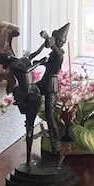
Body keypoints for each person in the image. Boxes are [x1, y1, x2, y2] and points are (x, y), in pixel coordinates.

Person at [29, 23, 70, 166]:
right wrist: (40, 63)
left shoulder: (59, 55)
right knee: (28, 89)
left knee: (50, 117)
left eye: (55, 39)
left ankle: (58, 150)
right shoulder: (53, 54)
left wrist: (47, 37)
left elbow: (56, 53)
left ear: (58, 42)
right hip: (44, 81)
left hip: (51, 84)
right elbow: (49, 61)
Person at [0, 52, 42, 165]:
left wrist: (44, 43)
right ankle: (28, 156)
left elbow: (32, 55)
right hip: (25, 92)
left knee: (31, 121)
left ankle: (29, 154)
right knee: (29, 123)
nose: (8, 55)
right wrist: (40, 63)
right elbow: (26, 70)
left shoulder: (19, 60)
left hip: (33, 88)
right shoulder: (13, 66)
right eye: (5, 57)